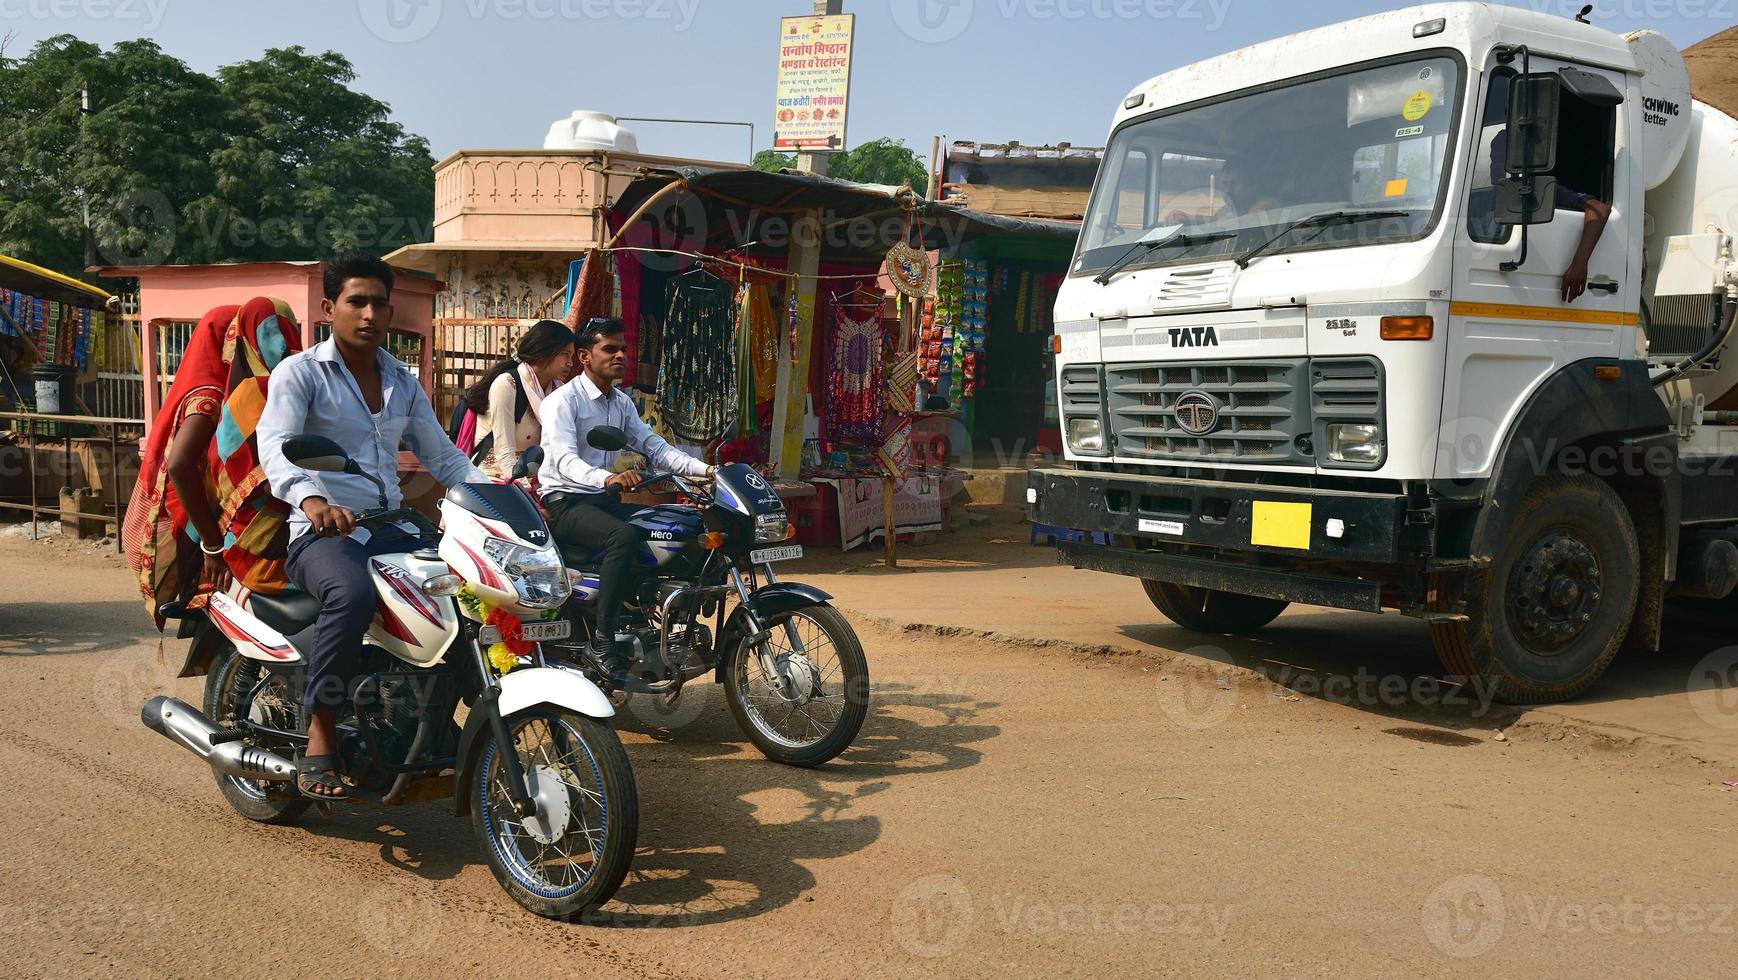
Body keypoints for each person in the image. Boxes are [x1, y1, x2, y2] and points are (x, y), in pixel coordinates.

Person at [258, 254, 489, 800]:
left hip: (392, 526)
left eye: (378, 303)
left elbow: (445, 458)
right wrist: (312, 498)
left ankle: (429, 719)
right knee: (353, 593)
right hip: (323, 532)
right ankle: (321, 731)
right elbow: (275, 445)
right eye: (355, 301)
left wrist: (499, 496)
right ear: (328, 308)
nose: (369, 313)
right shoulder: (301, 373)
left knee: (464, 596)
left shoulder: (401, 381)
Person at [539, 317, 715, 678]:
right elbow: (564, 458)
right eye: (610, 349)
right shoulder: (562, 402)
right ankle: (601, 641)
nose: (620, 355)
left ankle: (649, 616)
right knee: (624, 535)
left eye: (623, 348)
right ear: (585, 356)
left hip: (605, 499)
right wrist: (607, 478)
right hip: (567, 502)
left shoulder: (620, 402)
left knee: (678, 526)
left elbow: (655, 447)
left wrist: (709, 471)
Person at [123, 298, 304, 628]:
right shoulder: (211, 397)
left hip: (224, 516)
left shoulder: (259, 389)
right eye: (273, 336)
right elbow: (180, 466)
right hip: (209, 523)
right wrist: (212, 545)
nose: (287, 347)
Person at [1489, 129, 1612, 303]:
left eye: (1501, 158)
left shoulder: (1537, 190)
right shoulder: (1486, 198)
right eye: (1493, 158)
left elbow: (1598, 209)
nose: (1494, 165)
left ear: (1518, 162)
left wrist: (1579, 264)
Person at [463, 319, 575, 480]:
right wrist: (523, 487)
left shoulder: (559, 391)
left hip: (536, 477)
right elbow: (504, 450)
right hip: (495, 477)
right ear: (544, 351)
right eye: (565, 354)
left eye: (571, 356)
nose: (570, 363)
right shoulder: (508, 384)